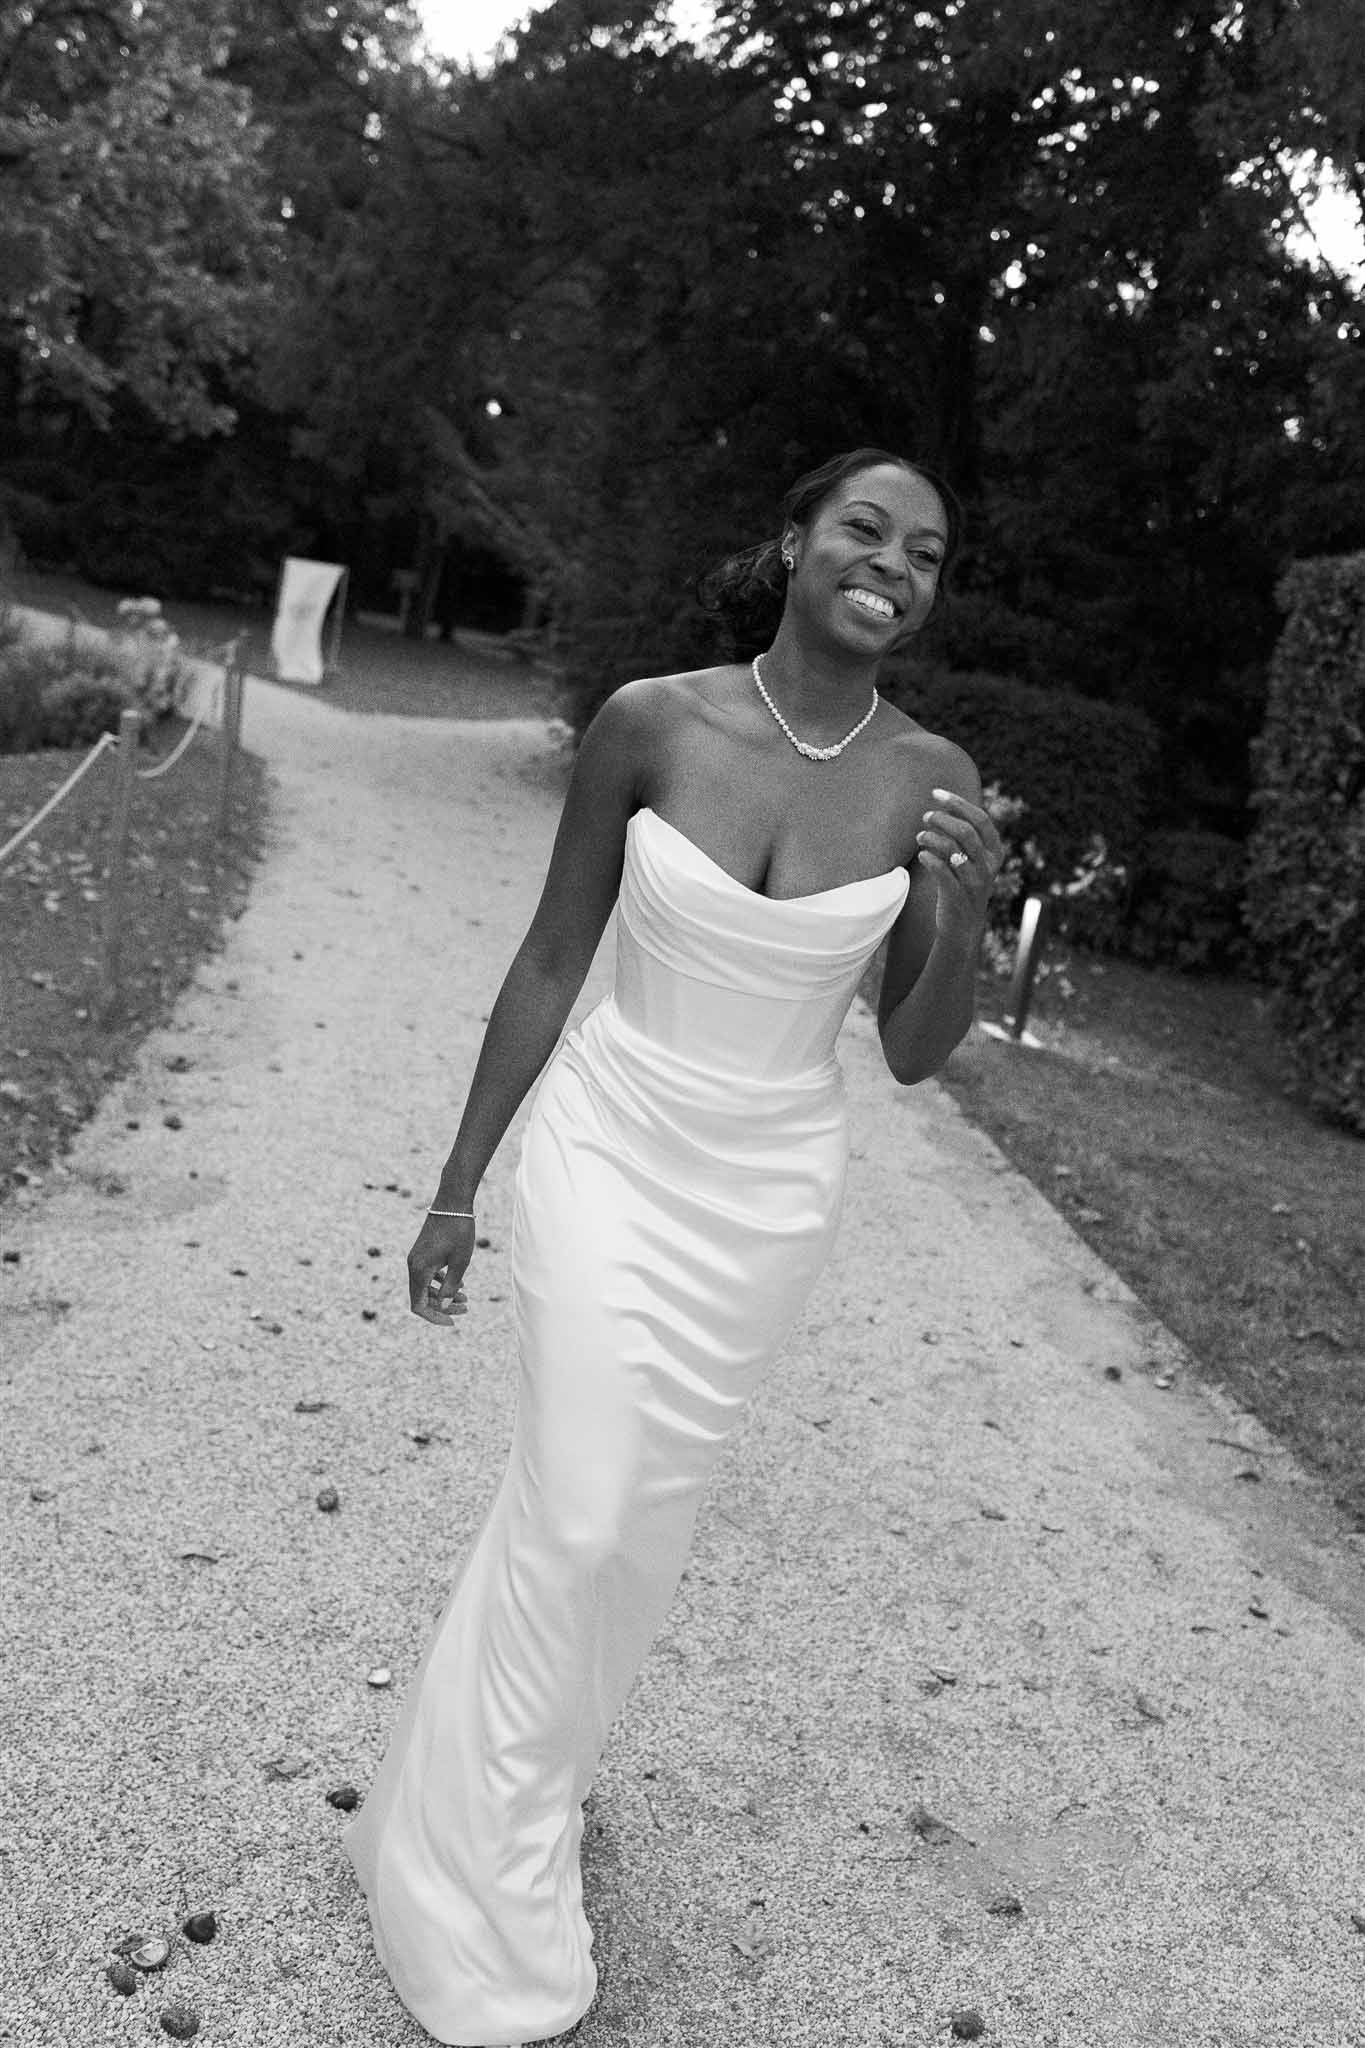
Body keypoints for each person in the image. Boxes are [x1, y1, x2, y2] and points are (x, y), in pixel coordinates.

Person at [343, 448, 1004, 2046]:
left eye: (922, 552)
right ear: (792, 544)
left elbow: (914, 1050)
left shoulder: (928, 774)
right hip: (608, 1146)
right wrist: (455, 1190)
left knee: (630, 1534)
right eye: (863, 527)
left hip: (766, 1195)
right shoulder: (651, 721)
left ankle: (522, 1789)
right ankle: (475, 1887)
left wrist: (964, 912)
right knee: (573, 1508)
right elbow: (551, 956)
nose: (890, 563)